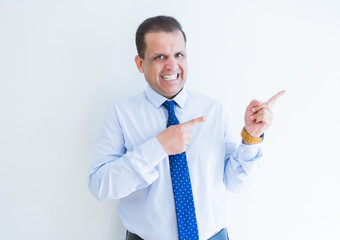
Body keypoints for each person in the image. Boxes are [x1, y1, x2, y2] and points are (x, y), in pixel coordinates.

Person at [88, 15, 285, 240]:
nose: (172, 65)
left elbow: (235, 182)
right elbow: (100, 186)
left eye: (178, 54)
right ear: (140, 63)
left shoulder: (212, 110)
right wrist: (158, 147)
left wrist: (251, 136)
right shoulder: (119, 115)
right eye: (160, 57)